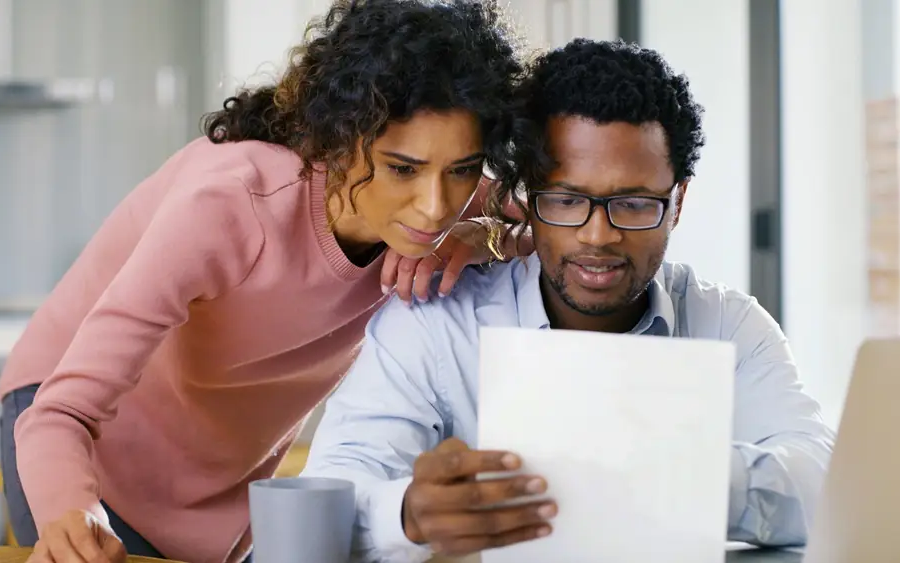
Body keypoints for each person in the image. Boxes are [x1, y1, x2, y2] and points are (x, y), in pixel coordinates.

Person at [0, 1, 533, 562]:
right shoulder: (229, 206)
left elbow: (574, 233)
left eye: (464, 169)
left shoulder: (455, 201)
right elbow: (62, 412)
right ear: (341, 136)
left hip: (220, 484)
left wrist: (484, 236)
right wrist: (71, 512)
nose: (434, 207)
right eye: (402, 169)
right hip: (69, 439)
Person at [300, 38, 836, 562]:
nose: (597, 236)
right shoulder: (437, 320)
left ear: (678, 201)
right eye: (565, 199)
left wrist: (684, 476)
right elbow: (333, 489)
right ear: (525, 198)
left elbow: (824, 479)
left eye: (632, 203)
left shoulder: (728, 323)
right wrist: (409, 515)